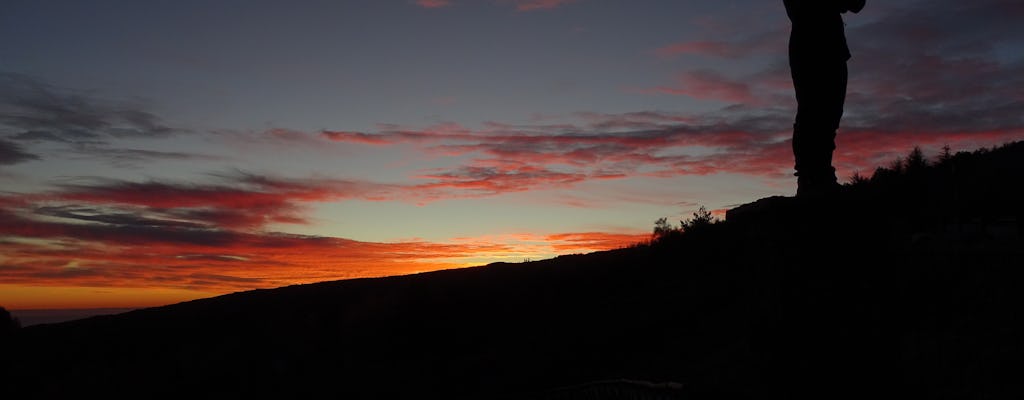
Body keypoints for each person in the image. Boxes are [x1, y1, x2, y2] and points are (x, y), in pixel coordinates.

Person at [784, 0, 865, 197]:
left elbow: (856, 4)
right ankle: (809, 178)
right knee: (810, 111)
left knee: (831, 113)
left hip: (832, 46)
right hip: (808, 46)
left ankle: (821, 174)